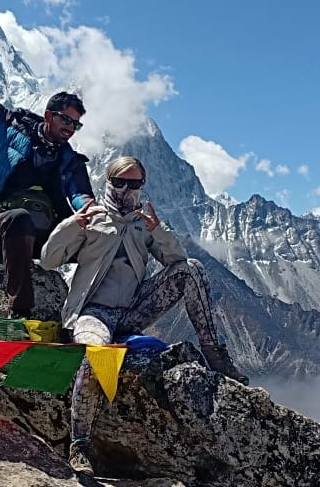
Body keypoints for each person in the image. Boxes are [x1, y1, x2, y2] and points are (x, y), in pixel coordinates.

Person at [40, 156, 248, 476]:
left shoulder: (142, 223)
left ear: (142, 186)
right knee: (97, 355)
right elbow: (49, 259)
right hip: (92, 312)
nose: (126, 190)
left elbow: (177, 263)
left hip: (132, 311)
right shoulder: (92, 218)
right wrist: (71, 226)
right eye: (120, 182)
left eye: (134, 184)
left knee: (192, 270)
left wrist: (158, 231)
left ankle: (215, 354)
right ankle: (79, 444)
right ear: (108, 182)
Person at [0, 2, 94, 318]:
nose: (70, 129)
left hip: (48, 235)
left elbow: (80, 193)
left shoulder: (69, 159)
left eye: (76, 125)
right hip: (4, 225)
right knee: (19, 218)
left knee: (102, 242)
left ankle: (90, 314)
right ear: (49, 116)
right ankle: (21, 311)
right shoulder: (10, 127)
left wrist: (88, 210)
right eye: (66, 121)